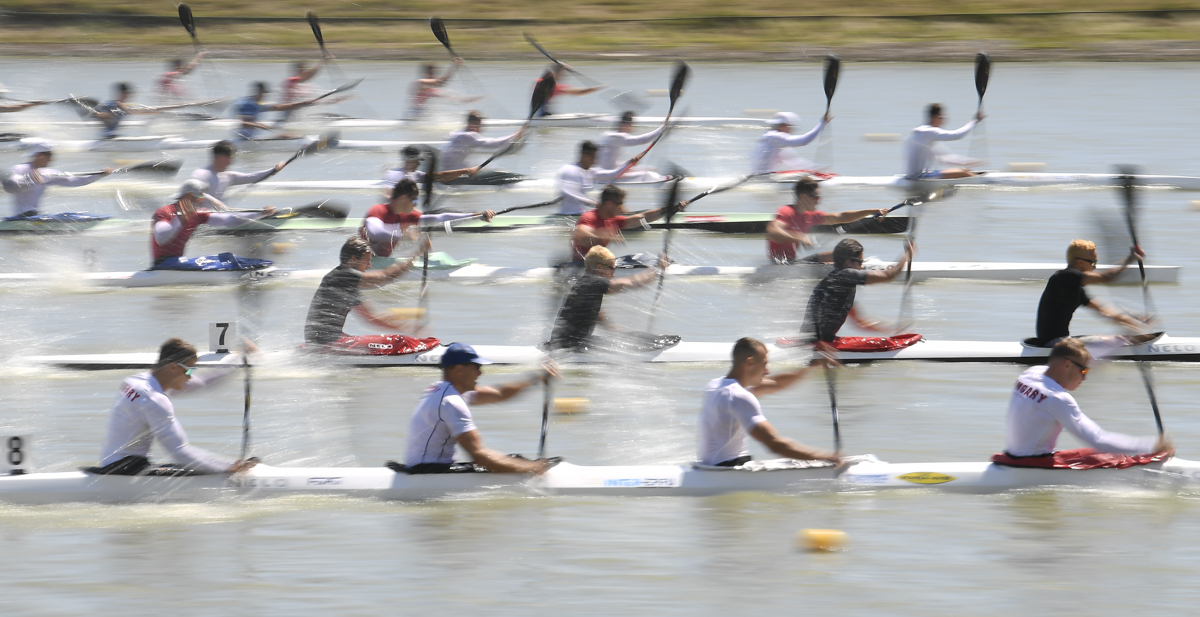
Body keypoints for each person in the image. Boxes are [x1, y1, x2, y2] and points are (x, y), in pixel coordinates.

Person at [87, 338, 257, 476]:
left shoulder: (136, 381)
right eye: (190, 371)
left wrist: (238, 360)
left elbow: (203, 382)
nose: (191, 377)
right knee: (201, 469)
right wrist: (227, 468)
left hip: (114, 463)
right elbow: (180, 452)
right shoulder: (154, 400)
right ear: (173, 367)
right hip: (126, 470)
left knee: (192, 466)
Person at [1002, 338, 1171, 459]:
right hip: (1033, 464)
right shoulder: (1058, 398)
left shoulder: (1031, 373)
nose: (1084, 378)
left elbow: (1072, 360)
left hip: (1013, 455)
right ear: (1067, 365)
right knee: (1109, 454)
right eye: (1084, 371)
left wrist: (1119, 341)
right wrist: (1152, 445)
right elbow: (1099, 440)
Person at [402, 342, 555, 474]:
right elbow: (479, 456)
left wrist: (536, 379)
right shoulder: (452, 402)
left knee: (514, 460)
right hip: (427, 472)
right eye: (476, 367)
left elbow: (500, 393)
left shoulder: (440, 389)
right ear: (458, 370)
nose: (480, 373)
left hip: (426, 467)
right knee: (513, 462)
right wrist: (532, 468)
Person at [698, 337, 841, 467]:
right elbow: (775, 444)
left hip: (711, 467)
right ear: (750, 362)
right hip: (729, 469)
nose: (767, 371)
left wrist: (810, 367)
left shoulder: (715, 385)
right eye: (764, 364)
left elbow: (776, 383)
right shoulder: (738, 395)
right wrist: (826, 457)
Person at [303, 236, 438, 354]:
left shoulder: (342, 282)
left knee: (397, 340)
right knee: (399, 341)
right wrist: (416, 253)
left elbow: (372, 317)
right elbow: (385, 276)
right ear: (353, 259)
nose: (369, 265)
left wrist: (407, 327)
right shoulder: (343, 275)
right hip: (326, 343)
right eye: (366, 260)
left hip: (319, 342)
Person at [1030, 239, 1152, 347]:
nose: (1095, 266)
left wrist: (1137, 321)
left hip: (1058, 343)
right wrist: (1130, 259)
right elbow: (1107, 277)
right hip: (1057, 344)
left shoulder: (1076, 289)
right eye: (1093, 262)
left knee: (1121, 336)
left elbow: (1106, 312)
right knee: (1120, 340)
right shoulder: (1064, 276)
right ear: (1080, 262)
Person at [547, 246, 668, 351]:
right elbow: (633, 283)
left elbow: (593, 312)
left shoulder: (585, 283)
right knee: (638, 341)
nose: (613, 274)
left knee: (633, 337)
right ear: (599, 267)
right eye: (611, 269)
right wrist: (657, 268)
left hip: (564, 343)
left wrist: (613, 329)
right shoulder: (594, 281)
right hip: (571, 347)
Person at [799, 238, 913, 346]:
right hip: (817, 343)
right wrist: (907, 254)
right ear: (848, 262)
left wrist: (893, 330)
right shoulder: (845, 275)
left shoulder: (840, 286)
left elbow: (860, 323)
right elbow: (889, 275)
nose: (862, 267)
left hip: (816, 340)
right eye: (860, 262)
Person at [359, 179, 494, 266]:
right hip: (361, 261)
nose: (416, 205)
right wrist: (403, 233)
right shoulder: (378, 210)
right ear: (403, 199)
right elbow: (375, 232)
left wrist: (476, 216)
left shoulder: (409, 215)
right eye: (415, 201)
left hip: (380, 261)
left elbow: (440, 218)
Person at [150, 179, 275, 268]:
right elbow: (160, 238)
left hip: (178, 263)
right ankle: (260, 269)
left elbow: (231, 220)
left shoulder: (197, 214)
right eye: (200, 198)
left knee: (227, 258)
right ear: (188, 196)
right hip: (164, 264)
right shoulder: (164, 212)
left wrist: (261, 214)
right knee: (227, 261)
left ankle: (261, 265)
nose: (202, 201)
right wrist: (180, 219)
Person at [765, 177, 888, 263]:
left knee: (846, 254)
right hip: (779, 264)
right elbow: (772, 231)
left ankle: (855, 265)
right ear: (803, 197)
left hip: (792, 262)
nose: (819, 201)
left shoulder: (810, 216)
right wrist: (800, 237)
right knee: (846, 254)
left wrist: (871, 211)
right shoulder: (786, 211)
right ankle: (856, 268)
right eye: (816, 198)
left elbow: (841, 217)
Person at [569, 184, 682, 262]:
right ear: (608, 204)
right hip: (582, 266)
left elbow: (642, 217)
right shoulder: (589, 217)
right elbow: (579, 233)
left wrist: (671, 208)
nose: (622, 207)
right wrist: (602, 234)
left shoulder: (612, 220)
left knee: (644, 258)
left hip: (600, 265)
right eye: (619, 204)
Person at [6, 140, 111, 217]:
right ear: (39, 155)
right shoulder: (20, 169)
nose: (51, 159)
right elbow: (9, 186)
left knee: (69, 216)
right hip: (20, 218)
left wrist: (100, 174)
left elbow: (75, 181)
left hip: (34, 216)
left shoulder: (48, 173)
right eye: (49, 155)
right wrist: (29, 179)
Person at [556, 140, 638, 215]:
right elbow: (570, 195)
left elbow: (612, 175)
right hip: (569, 215)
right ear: (585, 156)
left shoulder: (590, 171)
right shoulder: (570, 170)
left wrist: (630, 163)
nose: (595, 161)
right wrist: (595, 204)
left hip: (581, 213)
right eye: (593, 158)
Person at [904, 103, 983, 180]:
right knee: (963, 173)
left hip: (913, 175)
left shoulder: (921, 133)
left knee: (964, 170)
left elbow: (943, 158)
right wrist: (974, 121)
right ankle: (983, 181)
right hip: (918, 177)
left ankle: (977, 178)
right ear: (935, 117)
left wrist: (967, 162)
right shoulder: (929, 132)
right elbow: (957, 135)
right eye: (941, 118)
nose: (943, 122)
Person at [190, 140, 289, 201]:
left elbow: (253, 177)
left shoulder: (228, 176)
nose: (230, 162)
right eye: (228, 158)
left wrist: (274, 170)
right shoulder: (201, 175)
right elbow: (192, 198)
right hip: (200, 219)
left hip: (217, 215)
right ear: (219, 157)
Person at [233, 82, 321, 140]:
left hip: (252, 137)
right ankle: (314, 142)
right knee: (287, 136)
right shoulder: (248, 104)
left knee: (289, 134)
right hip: (245, 139)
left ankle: (309, 140)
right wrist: (262, 126)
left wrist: (304, 103)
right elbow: (242, 123)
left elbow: (279, 107)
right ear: (259, 92)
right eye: (264, 93)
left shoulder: (255, 104)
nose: (264, 96)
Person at [440, 111, 524, 172]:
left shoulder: (455, 133)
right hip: (453, 171)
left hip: (444, 168)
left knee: (479, 166)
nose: (481, 129)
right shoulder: (468, 135)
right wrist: (515, 135)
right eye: (479, 125)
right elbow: (493, 144)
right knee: (498, 172)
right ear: (472, 123)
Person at [751, 111, 829, 174]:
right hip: (763, 177)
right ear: (783, 126)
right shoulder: (775, 137)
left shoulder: (771, 138)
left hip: (760, 176)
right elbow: (804, 141)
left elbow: (794, 162)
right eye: (791, 127)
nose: (791, 131)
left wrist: (817, 169)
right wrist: (822, 124)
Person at [596, 111, 665, 182]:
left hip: (603, 173)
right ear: (624, 125)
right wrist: (661, 129)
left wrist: (629, 164)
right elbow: (642, 140)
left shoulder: (607, 135)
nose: (631, 129)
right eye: (631, 125)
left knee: (649, 169)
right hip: (609, 176)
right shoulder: (617, 136)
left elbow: (607, 161)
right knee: (646, 175)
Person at [382, 145, 480, 187]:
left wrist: (466, 171)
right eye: (417, 160)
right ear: (409, 160)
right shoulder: (393, 174)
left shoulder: (416, 175)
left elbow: (440, 176)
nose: (419, 164)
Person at [94, 83, 164, 139]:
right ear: (122, 94)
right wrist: (114, 111)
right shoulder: (110, 104)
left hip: (113, 136)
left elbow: (142, 111)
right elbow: (98, 115)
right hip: (105, 136)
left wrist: (160, 110)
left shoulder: (124, 107)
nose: (128, 96)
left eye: (129, 94)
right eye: (127, 94)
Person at [277, 53, 332, 124]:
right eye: (301, 69)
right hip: (288, 114)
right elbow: (308, 76)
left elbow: (308, 102)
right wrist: (321, 62)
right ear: (295, 70)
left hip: (297, 113)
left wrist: (328, 101)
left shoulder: (301, 85)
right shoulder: (290, 80)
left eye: (304, 69)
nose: (304, 71)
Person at [535, 65, 602, 117]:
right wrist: (560, 68)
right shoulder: (542, 83)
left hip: (546, 115)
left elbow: (577, 92)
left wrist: (594, 89)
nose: (561, 77)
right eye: (560, 74)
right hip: (541, 116)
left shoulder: (556, 87)